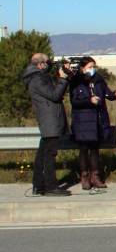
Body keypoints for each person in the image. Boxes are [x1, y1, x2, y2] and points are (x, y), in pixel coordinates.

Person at [69, 56, 116, 192]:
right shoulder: (76, 81)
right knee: (83, 150)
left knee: (95, 150)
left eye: (94, 66)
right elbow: (74, 102)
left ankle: (95, 176)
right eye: (89, 67)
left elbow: (107, 94)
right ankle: (85, 177)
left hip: (98, 120)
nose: (92, 69)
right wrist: (89, 100)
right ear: (82, 68)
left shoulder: (99, 79)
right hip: (82, 122)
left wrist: (115, 95)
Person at [22, 54, 72, 196]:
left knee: (42, 154)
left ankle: (39, 185)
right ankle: (50, 186)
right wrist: (62, 79)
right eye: (47, 62)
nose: (49, 64)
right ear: (40, 64)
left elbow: (54, 92)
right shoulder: (37, 78)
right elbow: (55, 95)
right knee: (49, 154)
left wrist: (64, 76)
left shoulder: (38, 77)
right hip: (49, 120)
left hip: (49, 120)